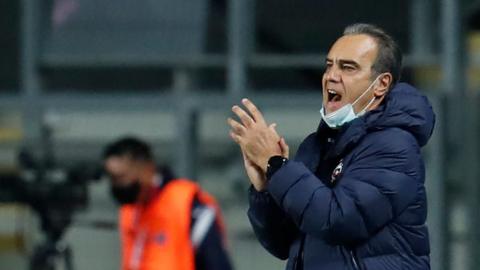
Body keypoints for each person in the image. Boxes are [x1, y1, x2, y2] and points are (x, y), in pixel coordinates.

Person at [228, 23, 434, 270]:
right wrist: (265, 187)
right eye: (329, 65)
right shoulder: (318, 147)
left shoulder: (394, 145)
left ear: (381, 84)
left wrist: (277, 165)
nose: (331, 76)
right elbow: (283, 243)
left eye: (348, 67)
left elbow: (336, 219)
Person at [102, 137, 232, 270]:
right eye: (112, 179)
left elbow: (216, 262)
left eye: (121, 177)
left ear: (145, 167)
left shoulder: (187, 203)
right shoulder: (130, 211)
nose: (118, 185)